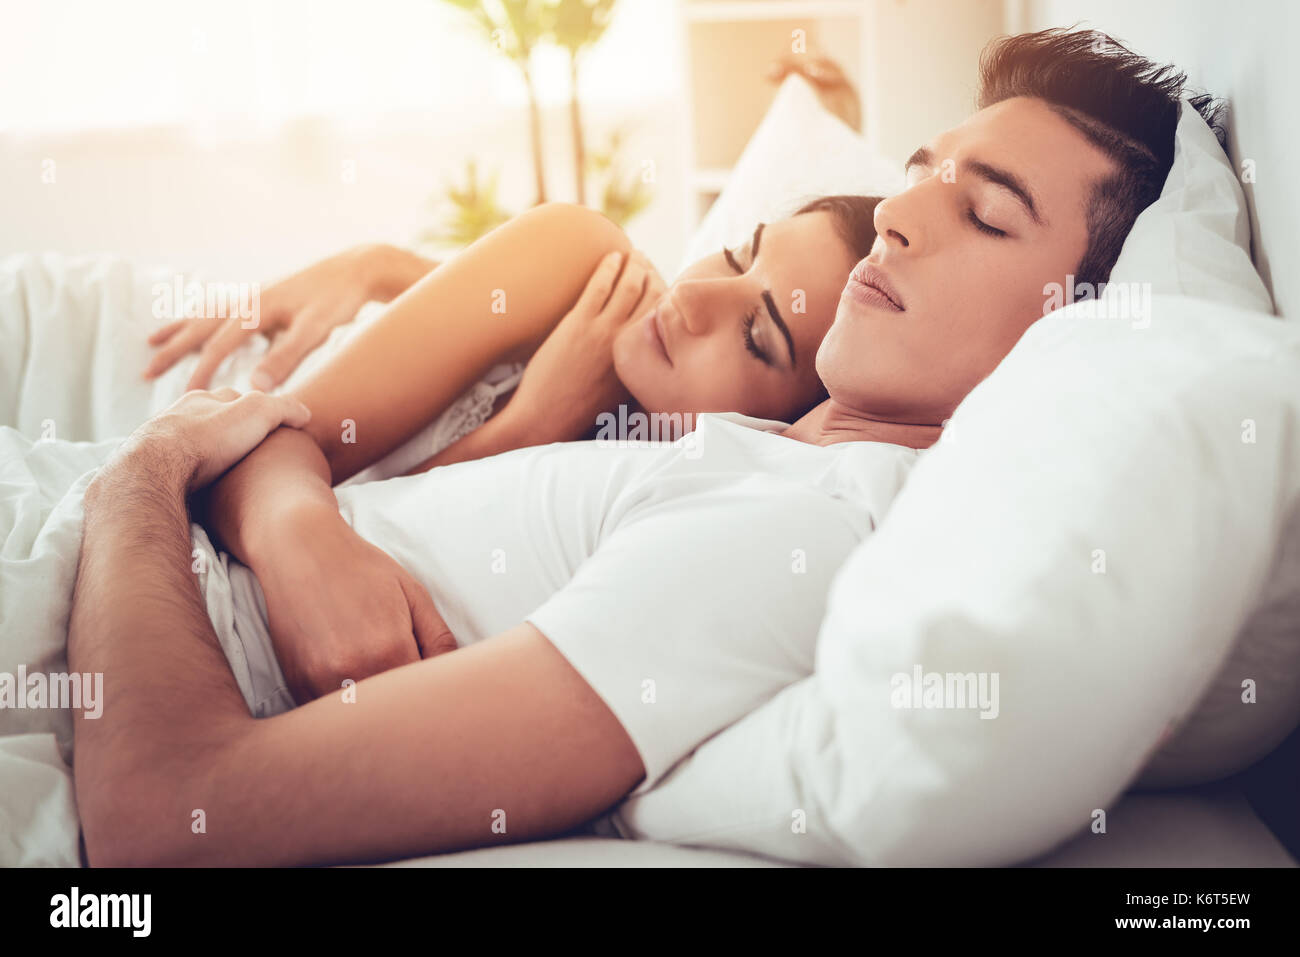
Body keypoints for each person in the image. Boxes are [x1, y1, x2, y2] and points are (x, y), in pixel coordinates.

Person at [68, 28, 1222, 866]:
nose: (907, 211)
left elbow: (163, 816)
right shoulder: (741, 447)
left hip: (113, 576)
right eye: (923, 169)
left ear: (1070, 329)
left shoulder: (807, 525)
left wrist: (141, 476)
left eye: (987, 212)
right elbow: (285, 439)